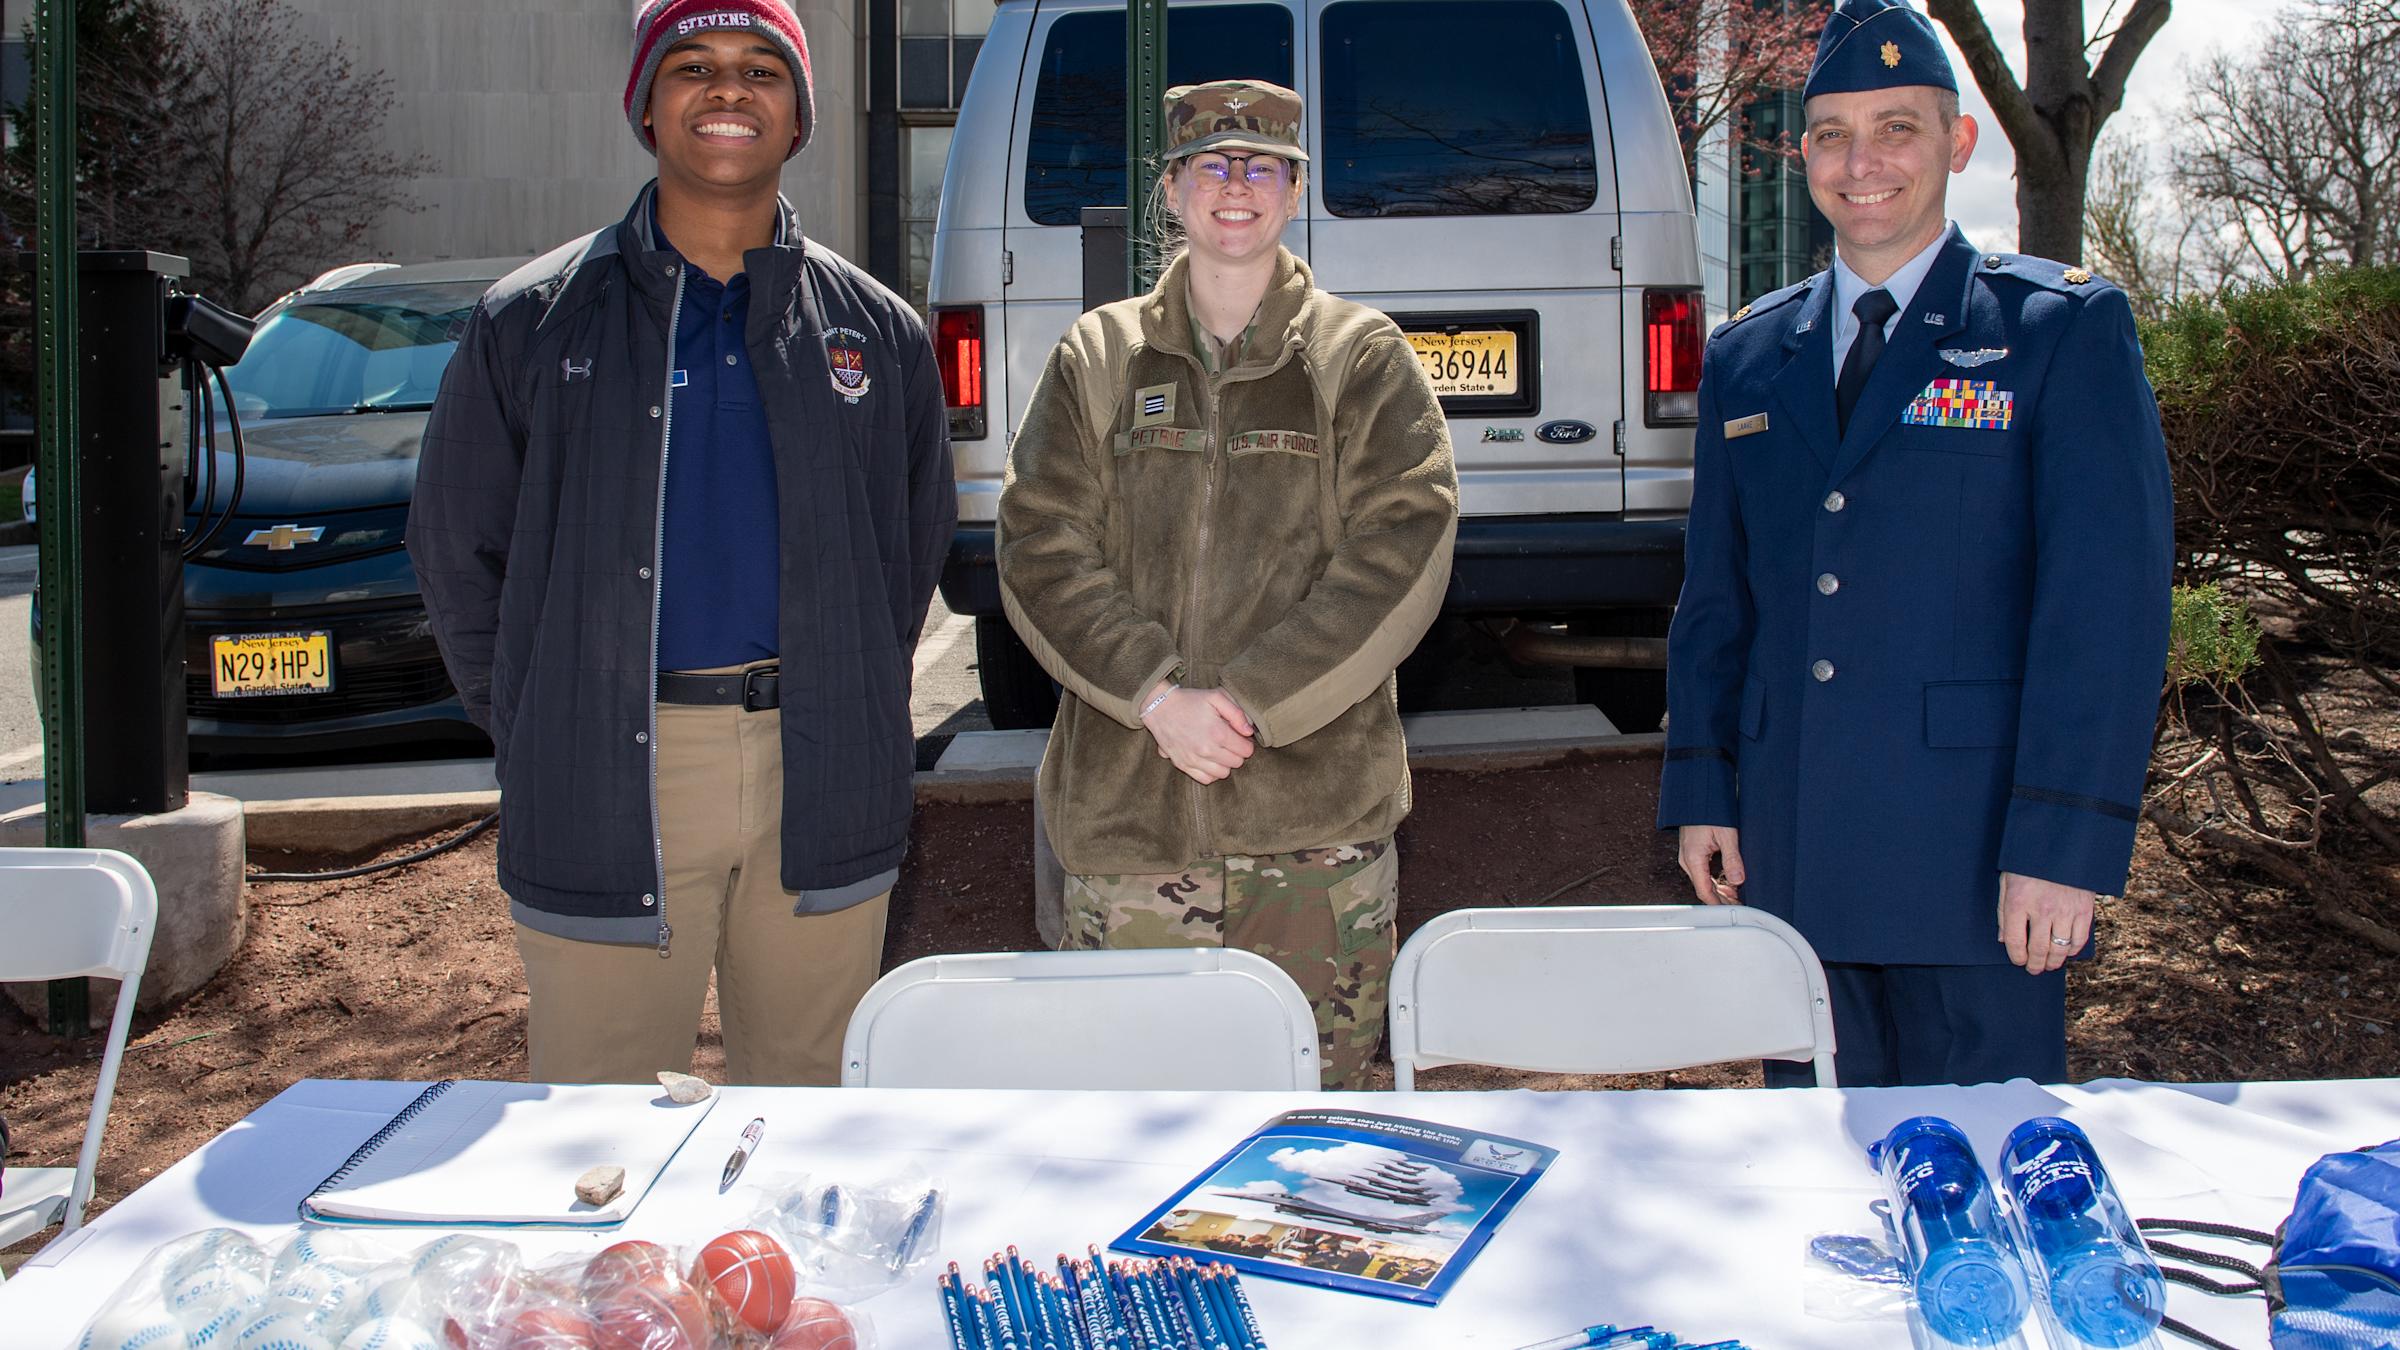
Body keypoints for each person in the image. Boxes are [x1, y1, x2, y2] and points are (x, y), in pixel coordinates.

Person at [412, 0, 952, 1086]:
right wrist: (542, 721)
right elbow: (458, 554)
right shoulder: (532, 319)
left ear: (798, 115)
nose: (727, 91)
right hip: (608, 767)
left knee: (805, 1114)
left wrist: (843, 698)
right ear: (645, 107)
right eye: (693, 66)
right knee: (594, 1128)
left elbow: (910, 554)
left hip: (821, 767)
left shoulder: (877, 331)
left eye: (761, 70)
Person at [1657, 0, 2171, 1089]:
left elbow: (2102, 617)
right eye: (1833, 133)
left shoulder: (2055, 332)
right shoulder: (1752, 358)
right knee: (1820, 1191)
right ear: (1802, 156)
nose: (1863, 162)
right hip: (1793, 853)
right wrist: (1704, 785)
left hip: (1977, 869)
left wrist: (2062, 847)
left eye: (1898, 127)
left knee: (1985, 1188)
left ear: (1958, 143)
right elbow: (1717, 600)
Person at [995, 79, 1458, 1090]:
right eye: (1212, 164)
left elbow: (1402, 548)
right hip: (1125, 836)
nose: (1236, 187)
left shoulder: (1358, 356)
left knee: (1306, 1149)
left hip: (1314, 842)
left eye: (1262, 167)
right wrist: (1158, 698)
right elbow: (1039, 543)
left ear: (1293, 191)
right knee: (1123, 1141)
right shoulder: (1099, 355)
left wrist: (1247, 700)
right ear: (1171, 189)